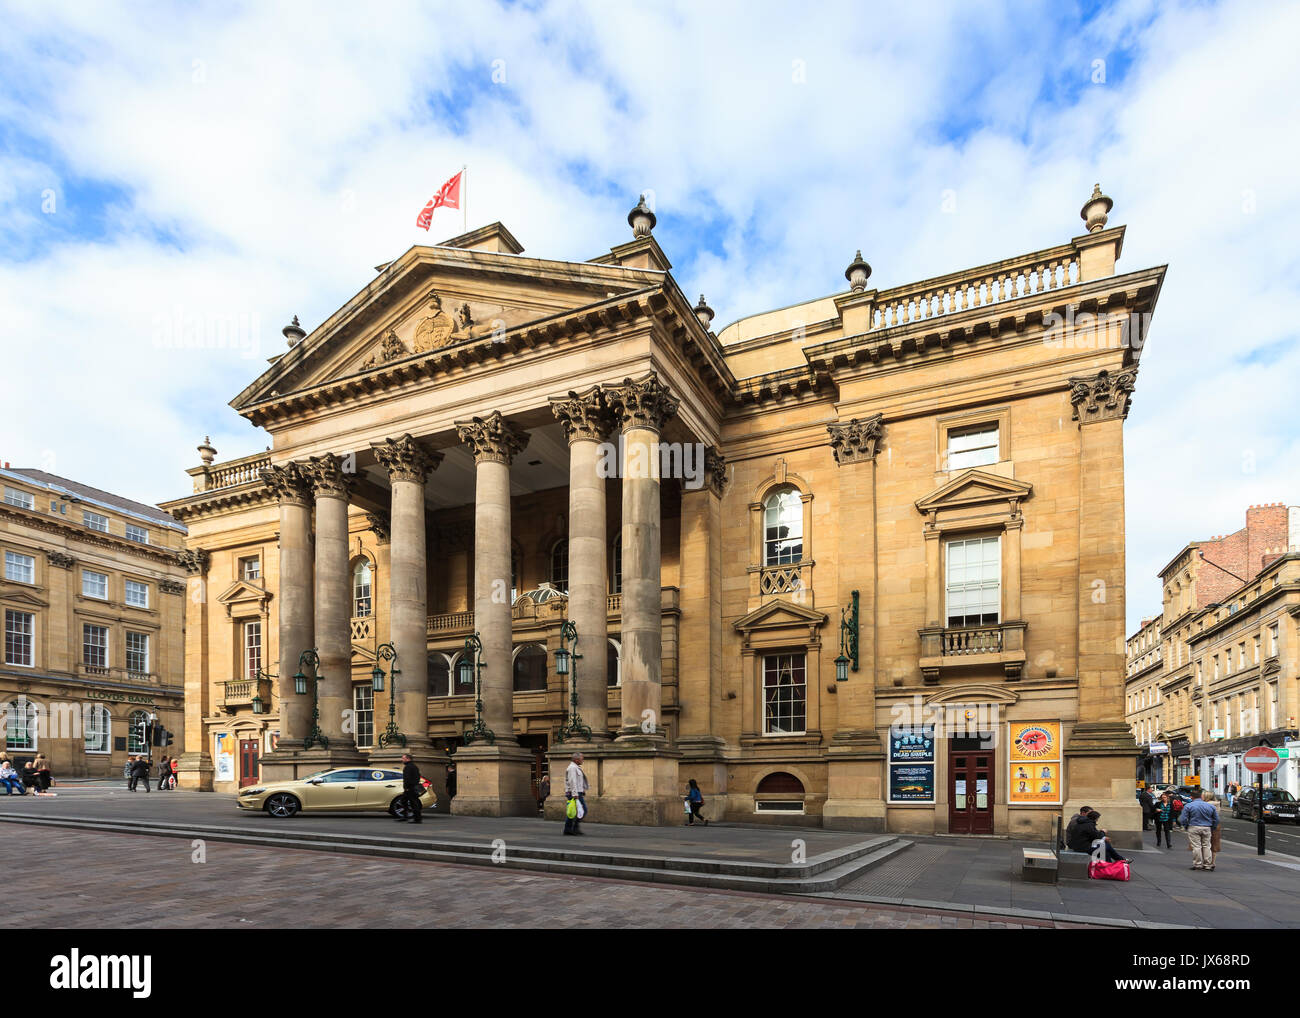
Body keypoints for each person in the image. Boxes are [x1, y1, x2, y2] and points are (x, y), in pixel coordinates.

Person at [1180, 789, 1220, 871]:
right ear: (1201, 796)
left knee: (1196, 846)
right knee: (1207, 846)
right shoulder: (1210, 806)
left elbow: (1183, 819)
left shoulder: (1189, 806)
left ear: (1191, 797)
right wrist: (1213, 827)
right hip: (1207, 827)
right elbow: (1216, 819)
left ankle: (1198, 864)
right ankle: (1208, 864)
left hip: (1193, 826)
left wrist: (1186, 826)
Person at [563, 752, 588, 836]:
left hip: (578, 792)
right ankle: (570, 829)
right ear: (576, 760)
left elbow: (578, 781)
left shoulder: (576, 767)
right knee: (575, 811)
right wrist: (575, 794)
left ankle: (572, 828)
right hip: (574, 793)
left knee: (577, 811)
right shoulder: (572, 768)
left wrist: (582, 789)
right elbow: (572, 782)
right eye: (582, 759)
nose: (583, 760)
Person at [396, 753, 422, 823]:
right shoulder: (414, 766)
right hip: (412, 787)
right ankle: (405, 816)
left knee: (413, 803)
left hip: (410, 788)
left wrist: (407, 787)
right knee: (404, 801)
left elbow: (407, 778)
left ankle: (417, 819)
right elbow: (418, 777)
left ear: (408, 759)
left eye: (403, 758)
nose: (402, 760)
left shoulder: (408, 767)